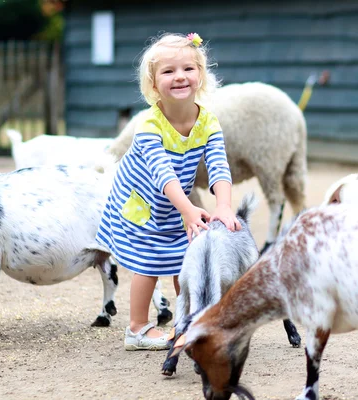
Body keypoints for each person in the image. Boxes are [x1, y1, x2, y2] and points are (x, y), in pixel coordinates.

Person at [95, 32, 241, 350]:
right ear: (152, 82)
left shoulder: (208, 121)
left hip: (174, 203)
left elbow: (218, 165)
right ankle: (136, 329)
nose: (179, 77)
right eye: (168, 71)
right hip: (140, 203)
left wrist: (224, 205)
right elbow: (163, 175)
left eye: (188, 68)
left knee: (184, 258)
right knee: (148, 264)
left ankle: (186, 322)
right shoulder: (149, 124)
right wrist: (188, 209)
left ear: (201, 74)